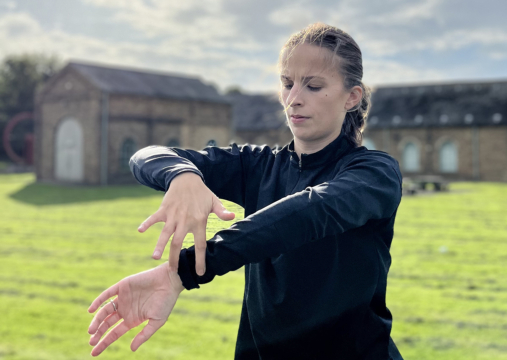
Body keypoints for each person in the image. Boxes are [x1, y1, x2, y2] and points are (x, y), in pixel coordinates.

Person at [86, 22, 404, 359]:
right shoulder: (256, 165)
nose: (294, 99)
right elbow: (145, 157)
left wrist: (187, 270)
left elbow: (308, 213)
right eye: (287, 84)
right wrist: (182, 176)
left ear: (351, 97)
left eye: (313, 86)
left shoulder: (375, 173)